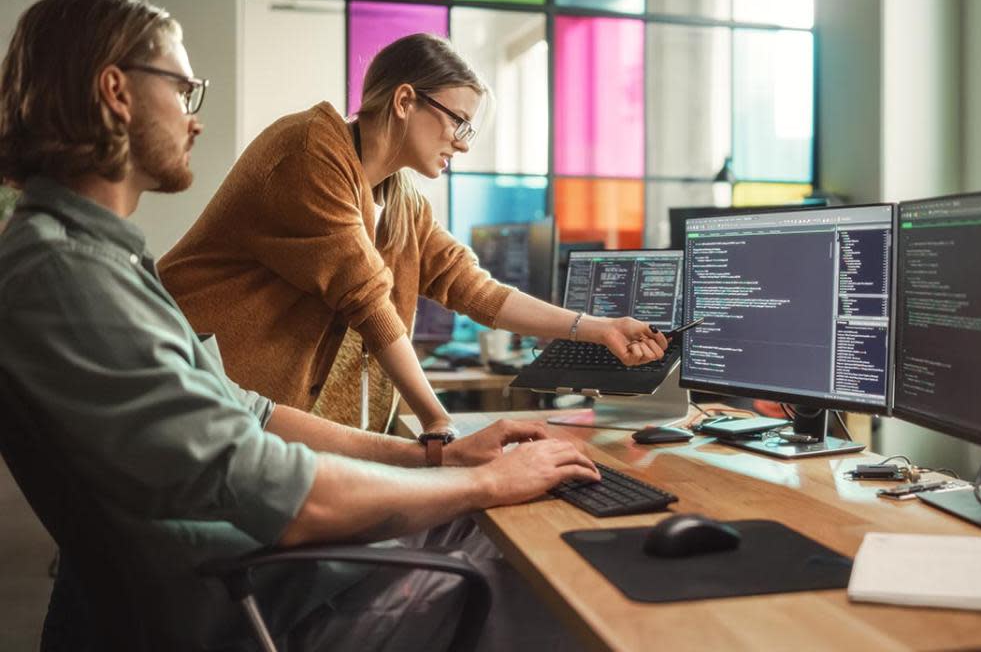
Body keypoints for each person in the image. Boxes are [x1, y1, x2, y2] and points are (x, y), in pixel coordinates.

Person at [0, 0, 599, 651]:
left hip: (262, 558)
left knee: (503, 523)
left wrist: (442, 454)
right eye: (182, 89)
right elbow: (270, 481)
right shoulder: (66, 278)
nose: (194, 119)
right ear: (116, 91)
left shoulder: (101, 263)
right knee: (553, 590)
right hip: (252, 594)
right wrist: (473, 473)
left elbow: (250, 413)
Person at [158, 33, 669, 436]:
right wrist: (439, 422)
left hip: (269, 428)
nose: (462, 145)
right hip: (195, 405)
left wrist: (599, 327)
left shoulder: (400, 200)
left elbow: (474, 289)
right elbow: (368, 300)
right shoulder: (312, 151)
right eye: (458, 123)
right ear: (405, 100)